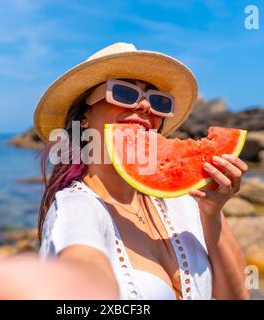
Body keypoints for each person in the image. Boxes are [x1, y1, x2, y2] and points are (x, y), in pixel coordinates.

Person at [36, 42, 250, 300]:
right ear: (85, 117)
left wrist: (212, 215)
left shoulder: (186, 201)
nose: (145, 107)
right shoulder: (76, 207)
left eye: (158, 101)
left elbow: (236, 297)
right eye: (124, 94)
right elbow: (83, 270)